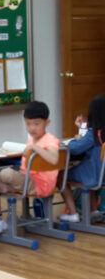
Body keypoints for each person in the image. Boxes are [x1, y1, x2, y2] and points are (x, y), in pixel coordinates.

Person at [0, 101, 60, 236]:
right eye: (28, 123)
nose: (32, 128)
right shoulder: (32, 139)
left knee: (7, 174)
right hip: (26, 181)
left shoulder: (50, 140)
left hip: (40, 184)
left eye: (36, 124)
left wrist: (35, 148)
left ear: (47, 123)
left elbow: (54, 159)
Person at [59, 94, 105, 222]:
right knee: (87, 175)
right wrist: (81, 130)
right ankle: (93, 211)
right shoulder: (96, 133)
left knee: (61, 176)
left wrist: (74, 140)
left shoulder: (93, 133)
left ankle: (72, 213)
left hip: (93, 174)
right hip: (101, 175)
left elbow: (74, 148)